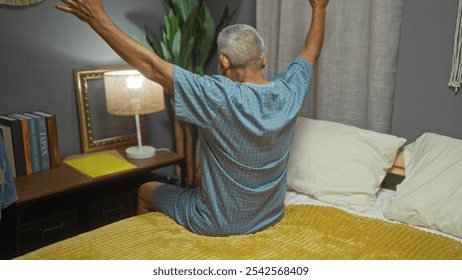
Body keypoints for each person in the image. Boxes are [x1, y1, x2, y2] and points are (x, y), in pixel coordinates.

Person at [53, 0, 329, 236]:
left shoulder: (217, 95)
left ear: (223, 61)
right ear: (264, 59)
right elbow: (310, 52)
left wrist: (98, 20)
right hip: (270, 215)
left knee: (146, 188)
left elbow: (151, 66)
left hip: (219, 223)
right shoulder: (288, 91)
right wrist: (319, 7)